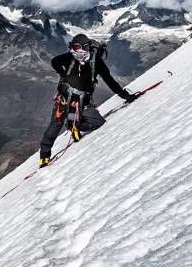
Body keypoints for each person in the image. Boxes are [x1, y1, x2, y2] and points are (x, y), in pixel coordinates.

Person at [39, 33, 134, 167]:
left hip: (82, 103)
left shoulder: (96, 62)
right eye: (71, 46)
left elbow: (109, 80)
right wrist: (62, 73)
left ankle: (75, 125)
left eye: (76, 47)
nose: (73, 50)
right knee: (53, 129)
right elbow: (55, 62)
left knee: (98, 123)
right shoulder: (69, 57)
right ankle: (44, 156)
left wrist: (124, 95)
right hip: (64, 102)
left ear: (85, 47)